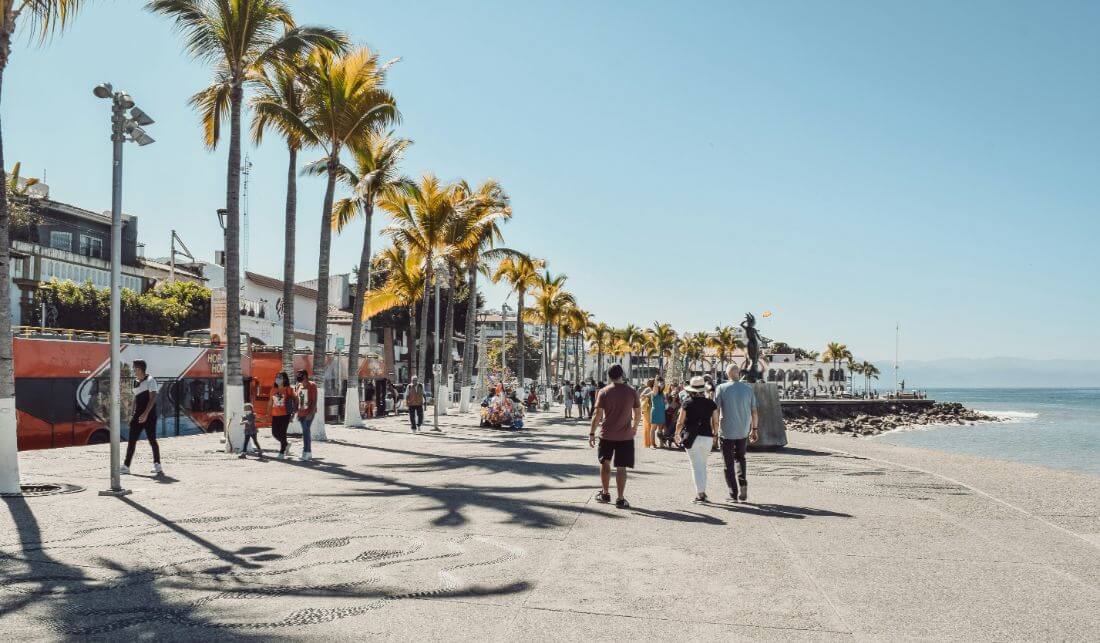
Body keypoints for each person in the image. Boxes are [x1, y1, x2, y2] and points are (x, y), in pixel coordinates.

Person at [589, 365, 640, 509]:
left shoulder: (604, 392)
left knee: (605, 464)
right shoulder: (632, 391)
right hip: (625, 436)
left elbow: (597, 415)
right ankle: (620, 498)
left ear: (609, 376)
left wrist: (592, 433)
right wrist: (634, 428)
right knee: (621, 467)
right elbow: (637, 413)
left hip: (607, 435)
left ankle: (605, 494)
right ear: (622, 375)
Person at [713, 365, 759, 502]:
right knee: (740, 458)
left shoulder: (721, 388)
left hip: (726, 431)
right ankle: (743, 482)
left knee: (728, 463)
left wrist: (715, 430)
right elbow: (754, 412)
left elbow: (715, 411)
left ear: (727, 375)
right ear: (738, 373)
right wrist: (754, 429)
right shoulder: (748, 389)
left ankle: (733, 494)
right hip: (743, 431)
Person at [675, 376, 719, 503]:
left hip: (692, 437)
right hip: (707, 437)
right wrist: (715, 435)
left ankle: (700, 494)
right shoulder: (711, 403)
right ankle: (702, 492)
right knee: (703, 465)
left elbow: (680, 422)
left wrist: (677, 434)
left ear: (691, 390)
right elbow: (715, 422)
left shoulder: (687, 403)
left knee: (696, 466)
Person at [121, 359, 161, 475]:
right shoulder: (135, 381)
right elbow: (136, 397)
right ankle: (126, 466)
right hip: (138, 415)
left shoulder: (150, 380)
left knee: (152, 440)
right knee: (132, 440)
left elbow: (153, 398)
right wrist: (132, 412)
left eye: (134, 368)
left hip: (149, 415)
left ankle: (157, 464)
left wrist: (145, 414)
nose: (133, 370)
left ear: (140, 369)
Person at [295, 370, 318, 462]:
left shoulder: (312, 385)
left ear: (305, 375)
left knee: (306, 432)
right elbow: (297, 399)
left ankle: (306, 452)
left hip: (309, 413)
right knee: (305, 432)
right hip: (301, 413)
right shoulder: (298, 385)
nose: (298, 376)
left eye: (299, 375)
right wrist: (296, 412)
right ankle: (307, 453)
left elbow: (314, 400)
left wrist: (311, 413)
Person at [269, 372, 293, 459]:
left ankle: (282, 452)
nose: (278, 379)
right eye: (277, 377)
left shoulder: (288, 389)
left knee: (282, 433)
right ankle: (286, 444)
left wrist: (293, 414)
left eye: (280, 377)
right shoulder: (273, 389)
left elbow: (294, 401)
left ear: (285, 379)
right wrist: (268, 413)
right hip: (275, 415)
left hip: (285, 414)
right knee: (275, 433)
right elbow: (270, 402)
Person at [648, 379, 667, 450]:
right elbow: (655, 386)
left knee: (660, 429)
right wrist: (656, 380)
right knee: (653, 429)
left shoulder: (662, 393)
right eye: (660, 384)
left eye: (663, 384)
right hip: (655, 412)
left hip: (661, 412)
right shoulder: (654, 392)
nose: (662, 385)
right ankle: (652, 444)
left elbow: (664, 403)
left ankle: (661, 443)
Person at [640, 379, 654, 448]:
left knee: (650, 426)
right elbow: (642, 396)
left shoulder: (653, 389)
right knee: (648, 426)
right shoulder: (648, 389)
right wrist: (647, 396)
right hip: (648, 409)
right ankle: (648, 443)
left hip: (651, 409)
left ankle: (650, 442)